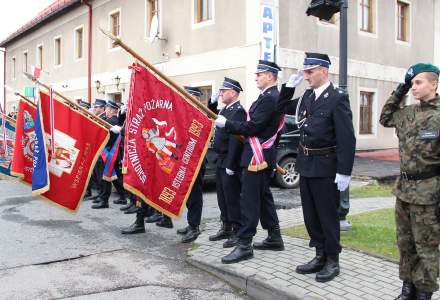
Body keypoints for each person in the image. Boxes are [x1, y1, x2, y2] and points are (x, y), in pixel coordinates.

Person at [277, 52, 356, 282]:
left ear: (324, 70)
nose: (306, 76)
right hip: (306, 164)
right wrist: (289, 88)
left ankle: (333, 259)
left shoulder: (337, 98)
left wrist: (344, 171)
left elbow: (346, 138)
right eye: (305, 71)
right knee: (311, 216)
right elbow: (281, 107)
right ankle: (319, 254)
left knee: (327, 215)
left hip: (326, 166)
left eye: (310, 72)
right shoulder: (307, 97)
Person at [380, 63, 440, 300]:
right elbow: (385, 118)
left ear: (433, 84)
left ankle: (424, 292)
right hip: (404, 190)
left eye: (418, 82)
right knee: (405, 243)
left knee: (426, 246)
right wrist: (401, 88)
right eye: (411, 83)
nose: (413, 87)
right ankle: (407, 288)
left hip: (429, 193)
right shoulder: (408, 113)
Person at [215, 60, 285, 264]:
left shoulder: (270, 98)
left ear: (270, 76)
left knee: (249, 201)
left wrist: (228, 124)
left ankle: (244, 244)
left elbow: (253, 126)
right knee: (263, 198)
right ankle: (274, 236)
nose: (255, 78)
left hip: (257, 156)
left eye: (259, 74)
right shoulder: (267, 96)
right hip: (260, 155)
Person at [207, 78, 246, 248]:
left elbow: (235, 140)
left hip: (230, 161)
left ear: (234, 92)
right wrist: (212, 101)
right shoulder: (225, 109)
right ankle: (226, 226)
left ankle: (237, 231)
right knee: (222, 197)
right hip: (220, 159)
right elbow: (210, 115)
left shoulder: (238, 111)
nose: (221, 93)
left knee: (232, 198)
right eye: (221, 91)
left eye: (224, 91)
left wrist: (231, 164)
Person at [175, 86, 206, 243]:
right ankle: (190, 223)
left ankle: (195, 227)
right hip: (184, 161)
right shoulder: (185, 115)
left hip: (196, 161)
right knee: (187, 195)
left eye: (187, 97)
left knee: (195, 196)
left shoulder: (200, 116)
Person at [92, 100, 125, 209]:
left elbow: (105, 133)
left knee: (105, 177)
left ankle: (104, 200)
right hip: (107, 152)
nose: (106, 111)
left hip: (109, 152)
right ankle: (122, 196)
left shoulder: (113, 120)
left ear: (112, 110)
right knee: (114, 177)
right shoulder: (109, 120)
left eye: (107, 109)